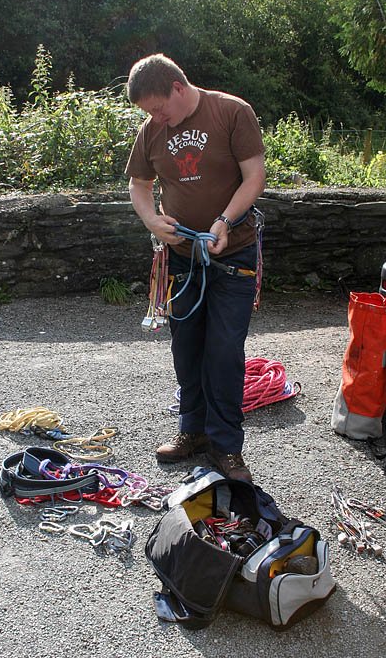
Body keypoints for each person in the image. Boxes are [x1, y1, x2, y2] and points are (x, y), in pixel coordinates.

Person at [125, 54, 266, 483]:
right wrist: (151, 220)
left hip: (234, 256)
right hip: (182, 260)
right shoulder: (152, 132)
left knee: (223, 353)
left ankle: (226, 447)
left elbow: (255, 176)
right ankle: (193, 433)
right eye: (149, 113)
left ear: (177, 87)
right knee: (186, 350)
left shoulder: (231, 112)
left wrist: (224, 221)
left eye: (158, 107)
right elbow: (139, 184)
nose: (156, 118)